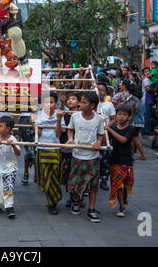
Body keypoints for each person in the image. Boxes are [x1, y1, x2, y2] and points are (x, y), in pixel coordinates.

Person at [66, 91, 104, 223]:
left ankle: (91, 209)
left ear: (92, 105)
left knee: (93, 185)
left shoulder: (98, 119)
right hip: (78, 155)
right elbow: (70, 129)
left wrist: (99, 142)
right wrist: (70, 140)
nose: (80, 104)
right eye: (80, 101)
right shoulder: (75, 116)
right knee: (75, 182)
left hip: (93, 156)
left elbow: (100, 134)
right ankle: (76, 201)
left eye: (83, 102)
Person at [0, 116, 20, 219]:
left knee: (8, 187)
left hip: (10, 168)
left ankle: (9, 207)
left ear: (8, 128)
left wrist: (13, 145)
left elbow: (18, 153)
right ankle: (0, 204)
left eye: (1, 126)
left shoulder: (13, 139)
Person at [35, 91, 62, 215]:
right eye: (46, 102)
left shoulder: (59, 115)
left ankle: (53, 203)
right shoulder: (39, 115)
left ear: (56, 103)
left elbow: (58, 133)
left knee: (54, 177)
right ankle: (52, 199)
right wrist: (33, 124)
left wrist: (58, 119)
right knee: (44, 177)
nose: (49, 105)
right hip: (42, 149)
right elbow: (38, 134)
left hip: (55, 149)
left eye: (51, 102)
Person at [105, 105, 135, 217]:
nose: (121, 117)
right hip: (115, 160)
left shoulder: (131, 129)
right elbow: (106, 139)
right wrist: (105, 128)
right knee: (118, 185)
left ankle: (124, 200)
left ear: (129, 117)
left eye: (124, 115)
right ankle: (121, 207)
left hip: (126, 161)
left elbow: (123, 140)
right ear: (116, 115)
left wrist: (109, 130)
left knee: (125, 184)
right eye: (119, 114)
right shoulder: (112, 128)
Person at [56, 93, 80, 208]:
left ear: (79, 103)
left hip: (78, 149)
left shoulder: (81, 115)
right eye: (69, 99)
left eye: (74, 99)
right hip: (65, 149)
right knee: (67, 174)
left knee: (75, 175)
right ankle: (73, 196)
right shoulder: (64, 115)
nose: (70, 101)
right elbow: (61, 130)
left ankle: (75, 197)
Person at [96, 83, 116, 191]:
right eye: (98, 89)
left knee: (105, 159)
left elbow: (113, 118)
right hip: (92, 134)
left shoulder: (109, 105)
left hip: (105, 135)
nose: (100, 92)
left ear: (106, 92)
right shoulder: (92, 104)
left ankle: (104, 180)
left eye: (102, 90)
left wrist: (107, 127)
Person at [18, 110, 35, 185]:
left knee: (36, 149)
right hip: (25, 118)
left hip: (40, 117)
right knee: (29, 149)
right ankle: (26, 173)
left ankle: (35, 174)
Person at [141, 67, 155, 136]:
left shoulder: (149, 79)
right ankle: (147, 131)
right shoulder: (146, 80)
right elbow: (148, 88)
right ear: (143, 74)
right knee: (147, 116)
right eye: (145, 71)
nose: (147, 72)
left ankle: (145, 130)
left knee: (147, 116)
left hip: (148, 100)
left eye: (148, 71)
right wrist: (155, 91)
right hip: (146, 100)